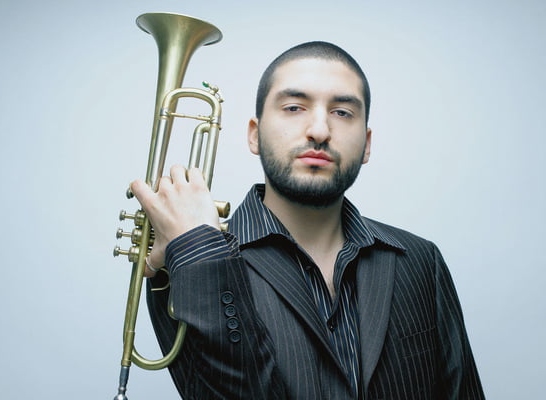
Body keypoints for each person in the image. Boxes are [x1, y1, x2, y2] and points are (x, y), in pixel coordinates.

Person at [130, 41, 485, 399]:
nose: (319, 130)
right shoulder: (189, 264)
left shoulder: (422, 260)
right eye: (294, 107)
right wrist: (197, 250)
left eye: (343, 112)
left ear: (366, 144)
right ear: (254, 134)